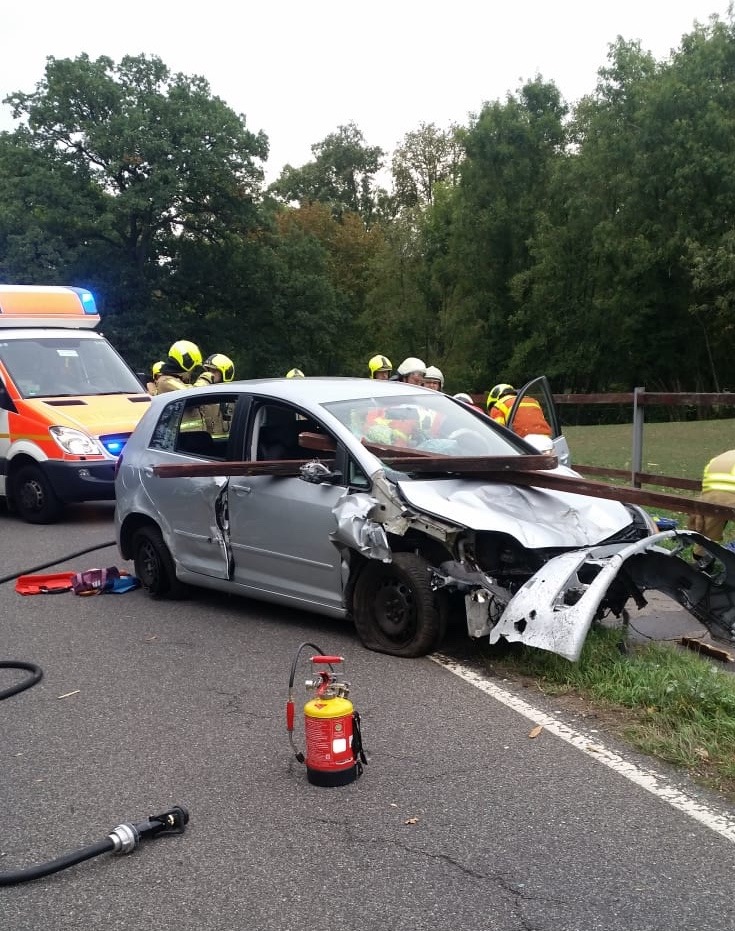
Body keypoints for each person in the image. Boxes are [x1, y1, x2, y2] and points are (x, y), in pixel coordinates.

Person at [687, 449, 735, 569]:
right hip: (731, 501)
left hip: (709, 502)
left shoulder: (718, 458)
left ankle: (701, 566)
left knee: (707, 534)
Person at [486, 383, 552, 438]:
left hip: (522, 444)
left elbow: (498, 432)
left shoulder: (498, 405)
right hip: (546, 440)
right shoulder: (533, 401)